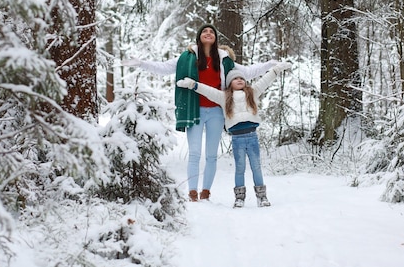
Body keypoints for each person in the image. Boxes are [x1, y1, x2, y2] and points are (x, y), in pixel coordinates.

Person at [124, 24, 277, 202]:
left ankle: (206, 192)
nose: (208, 33)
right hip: (194, 110)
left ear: (216, 38)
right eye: (204, 31)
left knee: (211, 155)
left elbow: (248, 72)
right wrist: (142, 63)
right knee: (195, 153)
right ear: (199, 37)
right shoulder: (187, 57)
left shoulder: (224, 59)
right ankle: (192, 193)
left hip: (217, 112)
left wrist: (269, 65)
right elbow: (164, 67)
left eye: (212, 31)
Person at [177, 61, 292, 208]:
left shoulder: (253, 92)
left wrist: (276, 69)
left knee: (256, 167)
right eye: (235, 79)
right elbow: (208, 91)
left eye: (242, 78)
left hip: (252, 137)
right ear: (229, 83)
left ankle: (262, 196)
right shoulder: (224, 97)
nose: (239, 80)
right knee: (240, 168)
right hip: (237, 138)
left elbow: (266, 80)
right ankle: (239, 198)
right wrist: (193, 84)